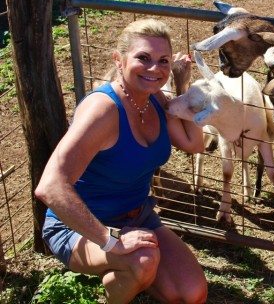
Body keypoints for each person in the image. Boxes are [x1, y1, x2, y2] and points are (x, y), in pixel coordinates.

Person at [35, 18, 208, 303]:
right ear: (119, 59)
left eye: (163, 60)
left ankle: (129, 273)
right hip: (81, 226)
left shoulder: (155, 99)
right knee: (142, 260)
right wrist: (110, 240)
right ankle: (122, 281)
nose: (155, 68)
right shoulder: (103, 111)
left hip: (137, 217)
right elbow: (50, 186)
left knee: (192, 294)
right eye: (143, 58)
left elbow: (193, 144)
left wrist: (181, 81)